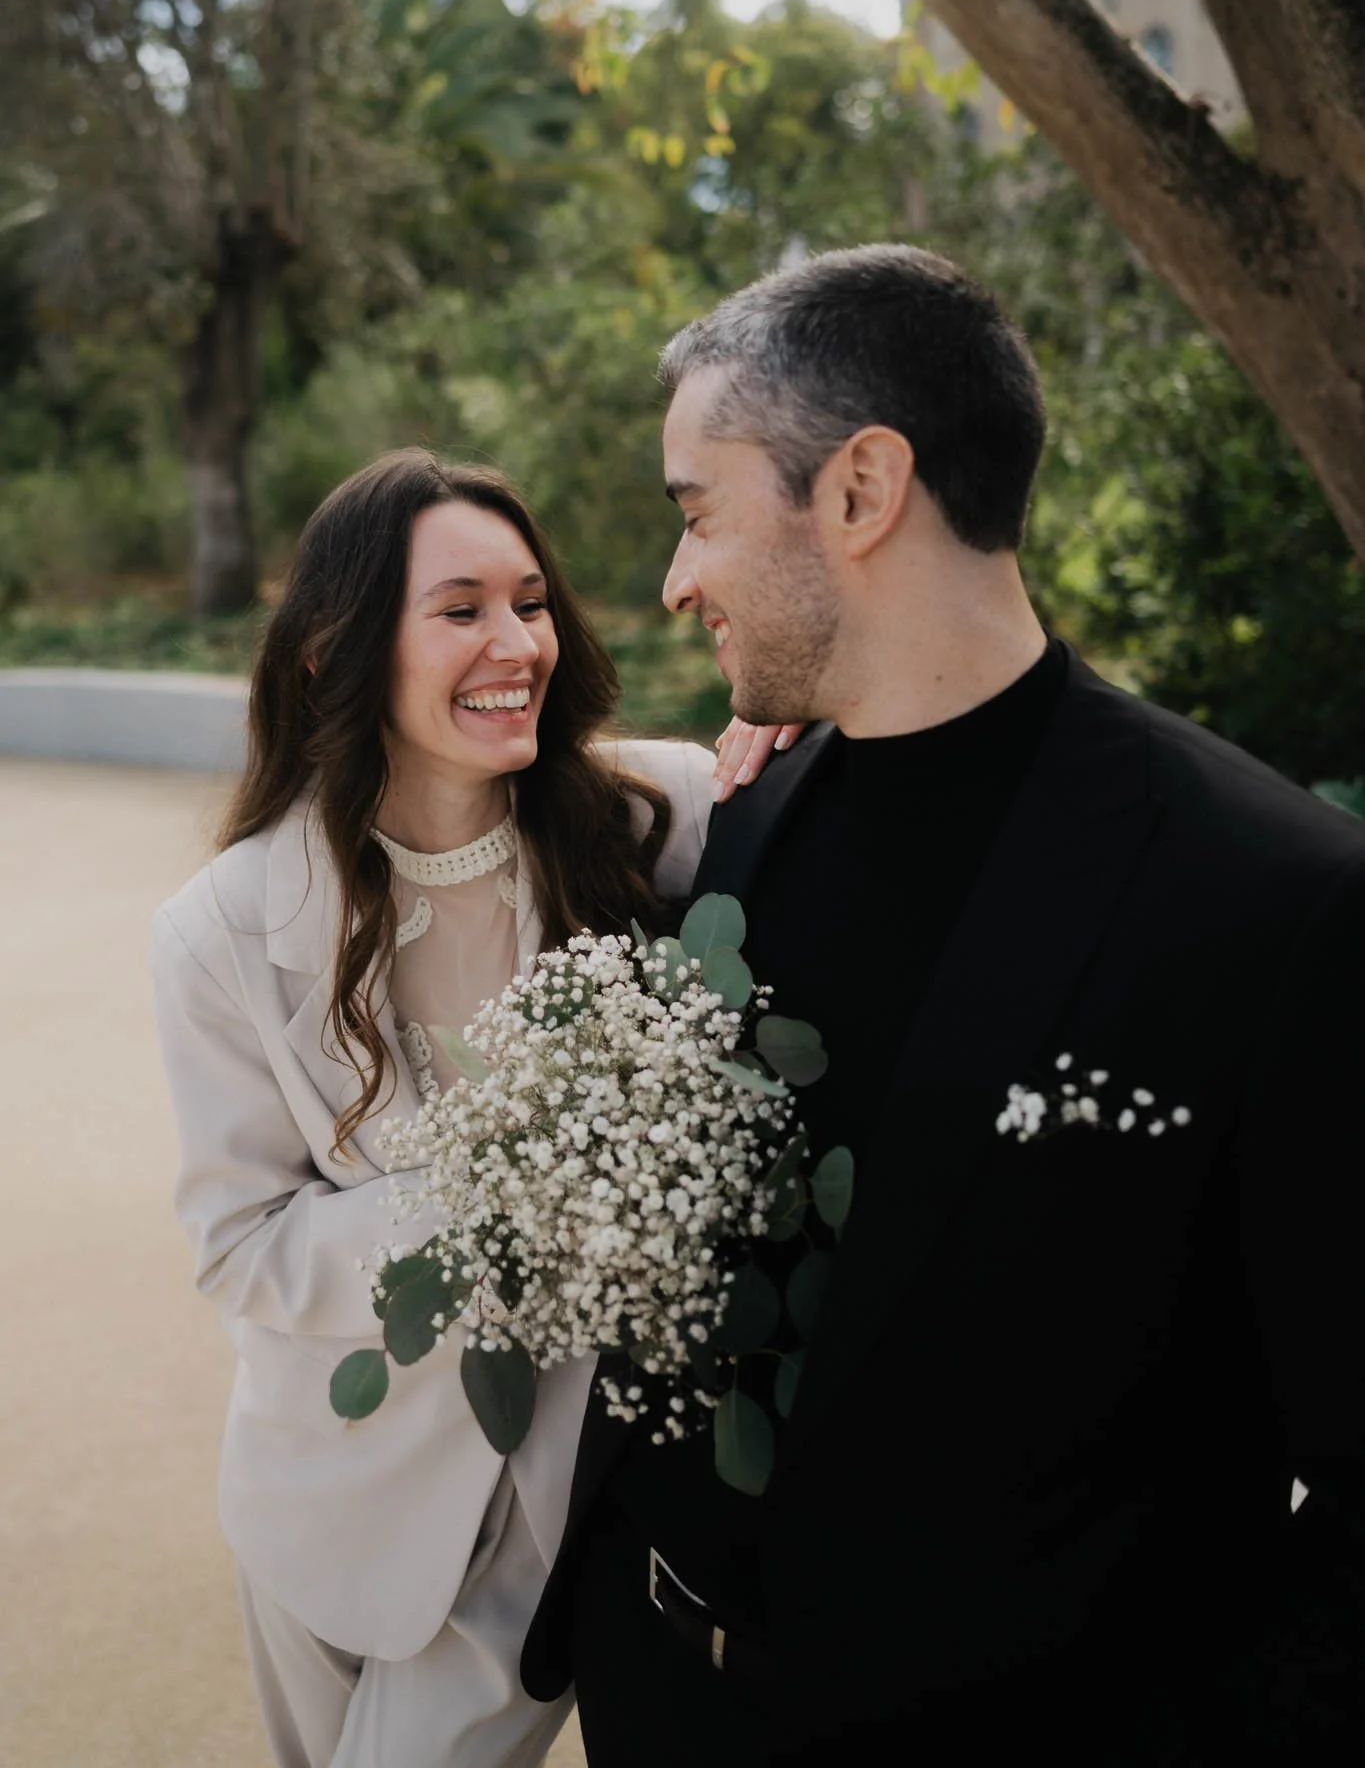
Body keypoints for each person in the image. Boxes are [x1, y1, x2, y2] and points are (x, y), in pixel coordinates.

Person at [522, 244, 1365, 1766]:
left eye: (695, 512)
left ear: (859, 491)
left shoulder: (1275, 898)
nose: (674, 578)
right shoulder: (750, 818)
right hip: (657, 1697)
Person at [151, 450, 781, 1768]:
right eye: (462, 609)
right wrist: (502, 1182)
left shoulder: (656, 819)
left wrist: (796, 741)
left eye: (532, 602)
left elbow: (860, 809)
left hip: (545, 1504)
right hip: (319, 1501)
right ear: (333, 650)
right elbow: (240, 1247)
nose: (519, 643)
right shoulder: (220, 932)